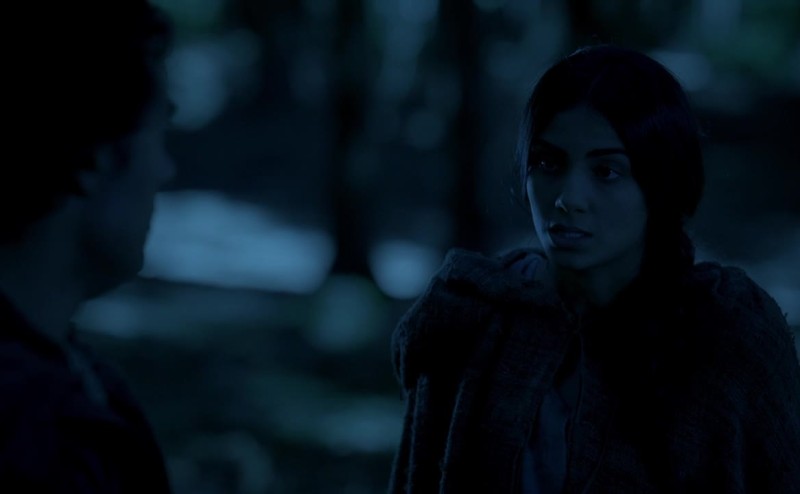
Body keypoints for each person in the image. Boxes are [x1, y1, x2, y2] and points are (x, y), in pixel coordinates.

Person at [388, 45, 800, 493]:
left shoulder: (725, 336)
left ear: (660, 182)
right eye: (548, 162)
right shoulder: (473, 317)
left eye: (606, 171)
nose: (569, 199)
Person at [0, 0, 176, 491]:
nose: (165, 171)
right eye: (160, 134)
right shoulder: (38, 437)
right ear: (99, 157)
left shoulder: (72, 382)